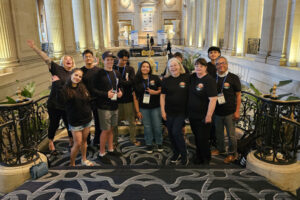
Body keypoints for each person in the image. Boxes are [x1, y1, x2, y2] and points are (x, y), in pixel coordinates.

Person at [27, 40, 73, 154]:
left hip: (67, 105)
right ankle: (51, 142)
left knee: (69, 123)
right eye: (65, 59)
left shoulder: (73, 74)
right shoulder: (57, 69)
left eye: (70, 60)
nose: (68, 61)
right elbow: (46, 59)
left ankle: (72, 140)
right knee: (54, 124)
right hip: (55, 104)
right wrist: (35, 48)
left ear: (72, 63)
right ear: (62, 62)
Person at [59, 69, 94, 166]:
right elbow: (61, 104)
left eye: (80, 76)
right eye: (76, 75)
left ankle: (84, 159)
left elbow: (88, 100)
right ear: (71, 75)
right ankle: (72, 163)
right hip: (75, 121)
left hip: (87, 118)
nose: (77, 78)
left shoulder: (82, 87)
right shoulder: (65, 90)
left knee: (84, 141)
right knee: (77, 143)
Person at [93, 51, 123, 164]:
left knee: (111, 129)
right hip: (103, 106)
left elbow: (120, 87)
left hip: (114, 105)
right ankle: (101, 153)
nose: (110, 61)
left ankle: (110, 149)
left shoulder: (116, 73)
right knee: (105, 130)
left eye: (112, 59)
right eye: (108, 59)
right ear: (103, 60)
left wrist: (121, 93)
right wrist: (106, 94)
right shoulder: (99, 73)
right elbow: (93, 90)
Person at [160, 57, 190, 166]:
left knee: (176, 132)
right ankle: (176, 152)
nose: (173, 68)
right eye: (171, 66)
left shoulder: (186, 77)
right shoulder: (166, 80)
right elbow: (162, 96)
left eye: (175, 65)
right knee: (171, 135)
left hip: (181, 112)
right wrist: (163, 111)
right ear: (168, 68)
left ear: (179, 65)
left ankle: (184, 154)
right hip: (169, 111)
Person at [188, 58, 217, 165]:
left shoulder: (209, 80)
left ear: (205, 67)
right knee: (197, 137)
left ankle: (206, 158)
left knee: (203, 138)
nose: (198, 68)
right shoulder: (193, 77)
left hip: (204, 115)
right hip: (192, 114)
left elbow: (213, 99)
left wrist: (209, 115)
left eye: (201, 66)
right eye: (196, 66)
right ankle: (199, 156)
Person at [214, 56, 241, 163]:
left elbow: (238, 95)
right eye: (218, 64)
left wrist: (237, 111)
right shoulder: (213, 77)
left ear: (227, 64)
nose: (221, 65)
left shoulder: (233, 77)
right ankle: (220, 149)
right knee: (219, 133)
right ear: (216, 66)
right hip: (217, 112)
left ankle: (232, 153)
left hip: (230, 111)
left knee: (231, 135)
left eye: (223, 63)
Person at [133, 61, 162, 153]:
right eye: (143, 66)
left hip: (156, 107)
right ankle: (149, 143)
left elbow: (161, 90)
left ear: (150, 69)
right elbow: (135, 97)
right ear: (140, 68)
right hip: (143, 108)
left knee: (157, 126)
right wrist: (137, 111)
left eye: (147, 67)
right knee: (147, 126)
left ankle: (159, 142)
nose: (145, 68)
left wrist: (155, 92)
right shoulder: (136, 80)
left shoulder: (155, 78)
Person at [113, 49, 140, 146]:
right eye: (122, 59)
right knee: (115, 122)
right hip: (116, 100)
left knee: (131, 121)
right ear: (118, 58)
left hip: (128, 99)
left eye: (126, 60)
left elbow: (132, 82)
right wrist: (125, 82)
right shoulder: (113, 68)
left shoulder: (130, 69)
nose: (124, 62)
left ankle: (133, 139)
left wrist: (120, 82)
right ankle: (114, 141)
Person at [81, 49, 101, 147]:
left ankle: (97, 140)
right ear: (83, 59)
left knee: (98, 121)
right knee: (86, 122)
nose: (88, 58)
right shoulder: (81, 71)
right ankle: (87, 140)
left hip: (97, 100)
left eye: (90, 56)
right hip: (85, 101)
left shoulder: (98, 70)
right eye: (86, 57)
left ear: (93, 58)